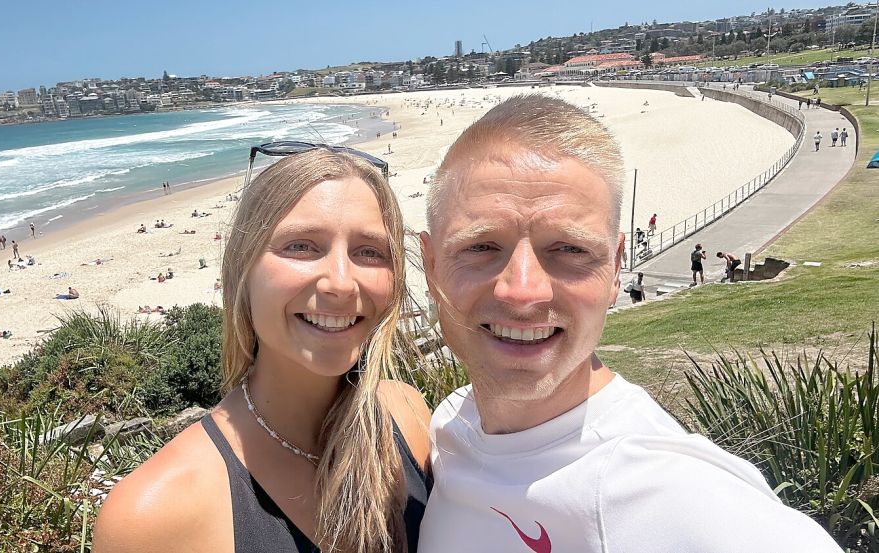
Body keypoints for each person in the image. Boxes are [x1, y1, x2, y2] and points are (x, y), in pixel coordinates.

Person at [416, 94, 842, 552]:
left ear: (616, 268)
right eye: (480, 247)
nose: (522, 291)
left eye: (570, 249)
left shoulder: (676, 495)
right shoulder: (452, 426)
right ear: (431, 265)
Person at [94, 147, 432, 552]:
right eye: (301, 246)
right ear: (243, 269)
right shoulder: (155, 515)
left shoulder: (407, 417)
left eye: (369, 251)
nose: (341, 283)